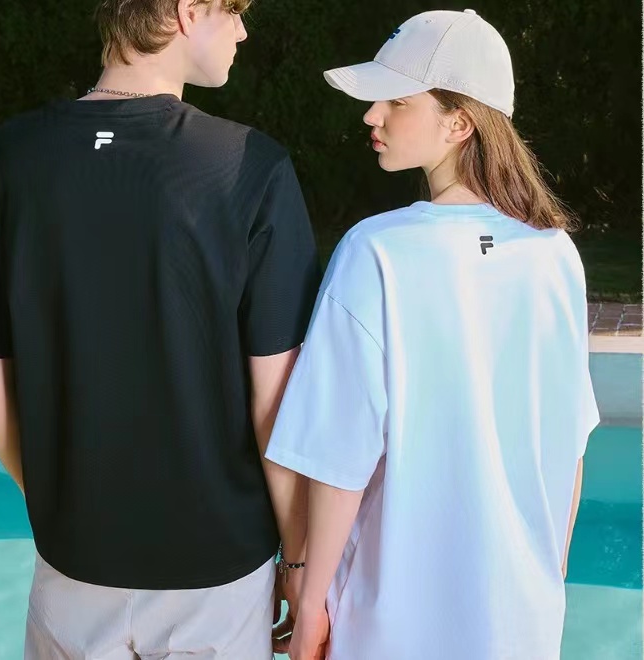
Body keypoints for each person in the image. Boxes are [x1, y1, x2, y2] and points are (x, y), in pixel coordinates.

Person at [0, 0, 319, 657]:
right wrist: (298, 558)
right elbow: (274, 402)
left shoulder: (9, 157)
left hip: (72, 564)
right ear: (188, 11)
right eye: (233, 11)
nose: (242, 31)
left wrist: (64, 503)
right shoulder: (249, 166)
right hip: (216, 574)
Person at [266, 9, 599, 660]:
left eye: (396, 101)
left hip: (390, 623)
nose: (372, 116)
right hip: (521, 622)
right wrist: (546, 581)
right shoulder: (553, 254)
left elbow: (338, 457)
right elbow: (569, 441)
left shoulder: (377, 251)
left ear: (459, 123)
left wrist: (309, 601)